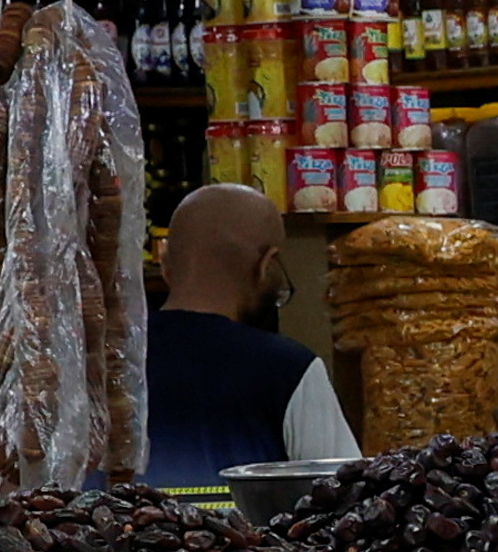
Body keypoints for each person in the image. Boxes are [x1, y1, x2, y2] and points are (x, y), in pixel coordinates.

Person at [140, 182, 349, 485]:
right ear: (265, 266)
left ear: (165, 264)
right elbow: (346, 503)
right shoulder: (291, 369)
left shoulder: (105, 361)